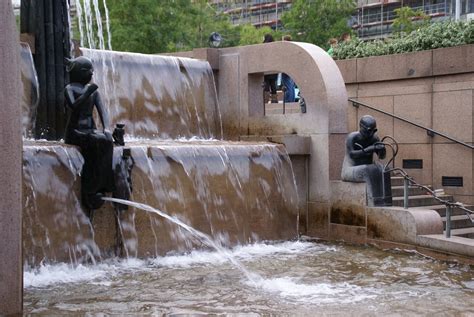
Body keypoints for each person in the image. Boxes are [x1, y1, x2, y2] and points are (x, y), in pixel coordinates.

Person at [64, 56, 115, 211]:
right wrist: (86, 93)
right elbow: (74, 106)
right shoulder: (70, 89)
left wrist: (107, 129)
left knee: (106, 140)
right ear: (79, 73)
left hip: (90, 131)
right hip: (75, 132)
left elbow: (103, 112)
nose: (92, 74)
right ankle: (90, 190)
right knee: (96, 141)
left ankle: (104, 185)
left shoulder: (94, 92)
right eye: (88, 71)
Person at [341, 115, 392, 206]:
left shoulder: (374, 138)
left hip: (367, 167)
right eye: (369, 131)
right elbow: (352, 154)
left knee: (385, 169)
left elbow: (382, 157)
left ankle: (387, 201)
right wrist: (370, 149)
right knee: (368, 170)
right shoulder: (352, 137)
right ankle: (374, 201)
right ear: (361, 127)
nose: (371, 133)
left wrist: (382, 150)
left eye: (374, 131)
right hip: (350, 169)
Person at [262, 33, 278, 103]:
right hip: (274, 69)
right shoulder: (275, 46)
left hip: (266, 68)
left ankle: (266, 100)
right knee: (273, 84)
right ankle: (274, 100)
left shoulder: (264, 46)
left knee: (266, 84)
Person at [280, 35, 296, 103]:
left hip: (286, 67)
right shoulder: (293, 46)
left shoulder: (286, 47)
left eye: (283, 40)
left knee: (287, 84)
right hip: (291, 67)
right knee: (290, 85)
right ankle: (290, 99)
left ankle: (288, 100)